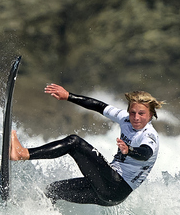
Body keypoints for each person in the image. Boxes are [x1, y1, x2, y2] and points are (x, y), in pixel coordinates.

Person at [10, 83, 162, 205]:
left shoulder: (149, 136)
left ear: (150, 115)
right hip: (109, 193)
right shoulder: (125, 119)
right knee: (53, 190)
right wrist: (68, 96)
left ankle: (23, 153)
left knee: (74, 142)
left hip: (116, 186)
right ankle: (30, 213)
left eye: (141, 114)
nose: (136, 117)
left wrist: (129, 150)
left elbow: (145, 153)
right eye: (132, 112)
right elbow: (99, 106)